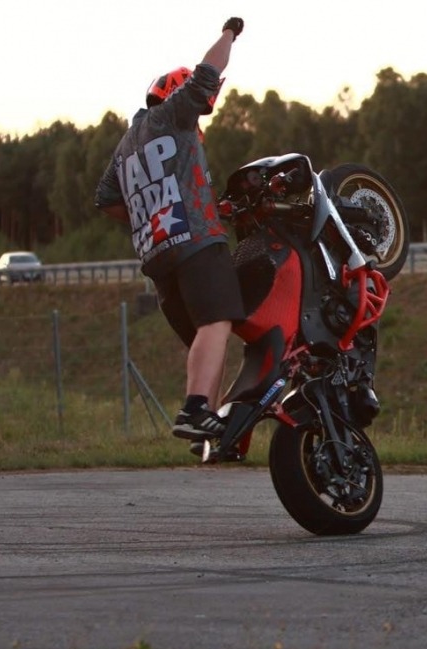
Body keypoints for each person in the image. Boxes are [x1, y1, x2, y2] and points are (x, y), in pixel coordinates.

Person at [95, 18, 246, 443]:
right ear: (173, 96)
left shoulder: (126, 145)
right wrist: (230, 33)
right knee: (218, 321)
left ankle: (207, 431)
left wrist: (149, 213)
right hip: (195, 241)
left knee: (208, 334)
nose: (201, 111)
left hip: (157, 258)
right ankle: (196, 410)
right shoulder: (172, 116)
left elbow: (105, 199)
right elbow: (207, 74)